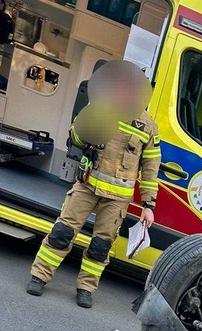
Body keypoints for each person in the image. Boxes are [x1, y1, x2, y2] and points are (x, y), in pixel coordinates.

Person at [26, 62, 161, 308]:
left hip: (118, 197)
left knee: (101, 246)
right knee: (62, 232)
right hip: (87, 185)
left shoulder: (148, 127)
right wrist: (87, 128)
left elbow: (151, 168)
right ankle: (39, 275)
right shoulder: (99, 107)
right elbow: (75, 137)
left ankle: (86, 288)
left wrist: (148, 204)